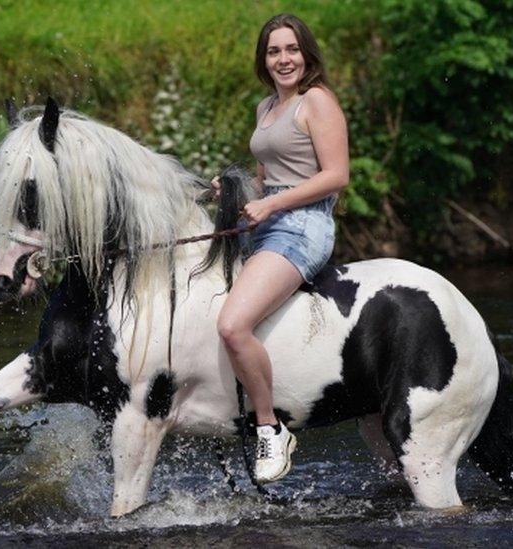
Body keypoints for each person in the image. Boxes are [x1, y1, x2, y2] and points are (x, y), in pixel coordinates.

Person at [214, 13, 349, 483]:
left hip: (303, 227)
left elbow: (335, 176)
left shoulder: (317, 101)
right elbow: (266, 178)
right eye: (274, 51)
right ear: (264, 59)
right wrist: (231, 189)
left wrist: (273, 206)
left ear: (306, 54)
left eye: (291, 49)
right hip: (266, 223)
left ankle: (271, 429)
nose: (283, 59)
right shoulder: (265, 107)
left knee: (232, 325)